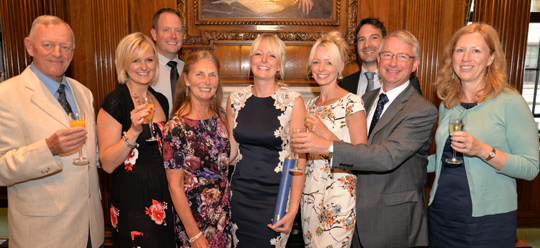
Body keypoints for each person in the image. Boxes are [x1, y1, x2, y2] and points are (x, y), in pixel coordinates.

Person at [292, 30, 436, 248]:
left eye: (403, 56)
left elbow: (387, 157)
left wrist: (327, 145)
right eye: (387, 55)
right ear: (378, 60)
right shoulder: (365, 99)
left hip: (391, 220)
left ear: (415, 64)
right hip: (352, 211)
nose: (393, 62)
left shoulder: (422, 110)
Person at [428, 23, 540, 247]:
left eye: (476, 51)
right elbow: (442, 158)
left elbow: (530, 167)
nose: (466, 57)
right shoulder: (448, 103)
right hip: (442, 214)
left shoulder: (510, 101)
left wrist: (482, 151)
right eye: (460, 50)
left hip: (488, 220)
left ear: (490, 58)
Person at [0, 15, 104, 247]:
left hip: (89, 229)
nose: (58, 53)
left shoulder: (83, 92)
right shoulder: (6, 95)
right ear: (29, 46)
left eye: (65, 46)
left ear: (73, 51)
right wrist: (48, 149)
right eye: (48, 45)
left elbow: (93, 155)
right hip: (42, 235)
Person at [227, 33, 307, 247]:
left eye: (271, 56)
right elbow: (231, 153)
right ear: (250, 60)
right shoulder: (235, 99)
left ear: (280, 65)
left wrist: (293, 209)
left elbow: (300, 160)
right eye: (258, 54)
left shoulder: (293, 101)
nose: (264, 60)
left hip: (275, 199)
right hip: (240, 196)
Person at [97, 32, 175, 247]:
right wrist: (133, 131)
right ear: (124, 64)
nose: (144, 66)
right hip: (132, 201)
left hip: (162, 199)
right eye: (136, 60)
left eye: (149, 59)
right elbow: (108, 163)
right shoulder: (115, 102)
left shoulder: (160, 100)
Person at [300, 31, 367, 247]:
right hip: (309, 194)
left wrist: (324, 133)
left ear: (339, 68)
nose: (321, 68)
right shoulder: (309, 106)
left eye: (329, 62)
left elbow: (362, 156)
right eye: (317, 62)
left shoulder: (353, 103)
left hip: (339, 193)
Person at [162, 50, 232, 247]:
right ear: (186, 79)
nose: (207, 81)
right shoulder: (176, 127)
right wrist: (194, 236)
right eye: (199, 74)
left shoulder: (220, 116)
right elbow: (174, 187)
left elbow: (230, 161)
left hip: (223, 218)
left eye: (212, 75)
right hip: (194, 224)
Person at [339, 17, 422, 96]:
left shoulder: (410, 82)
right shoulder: (345, 84)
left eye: (374, 38)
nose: (367, 44)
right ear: (356, 45)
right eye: (362, 39)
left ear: (384, 42)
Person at [151, 8, 185, 115]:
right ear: (154, 34)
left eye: (178, 30)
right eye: (166, 30)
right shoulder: (144, 71)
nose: (173, 36)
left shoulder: (190, 69)